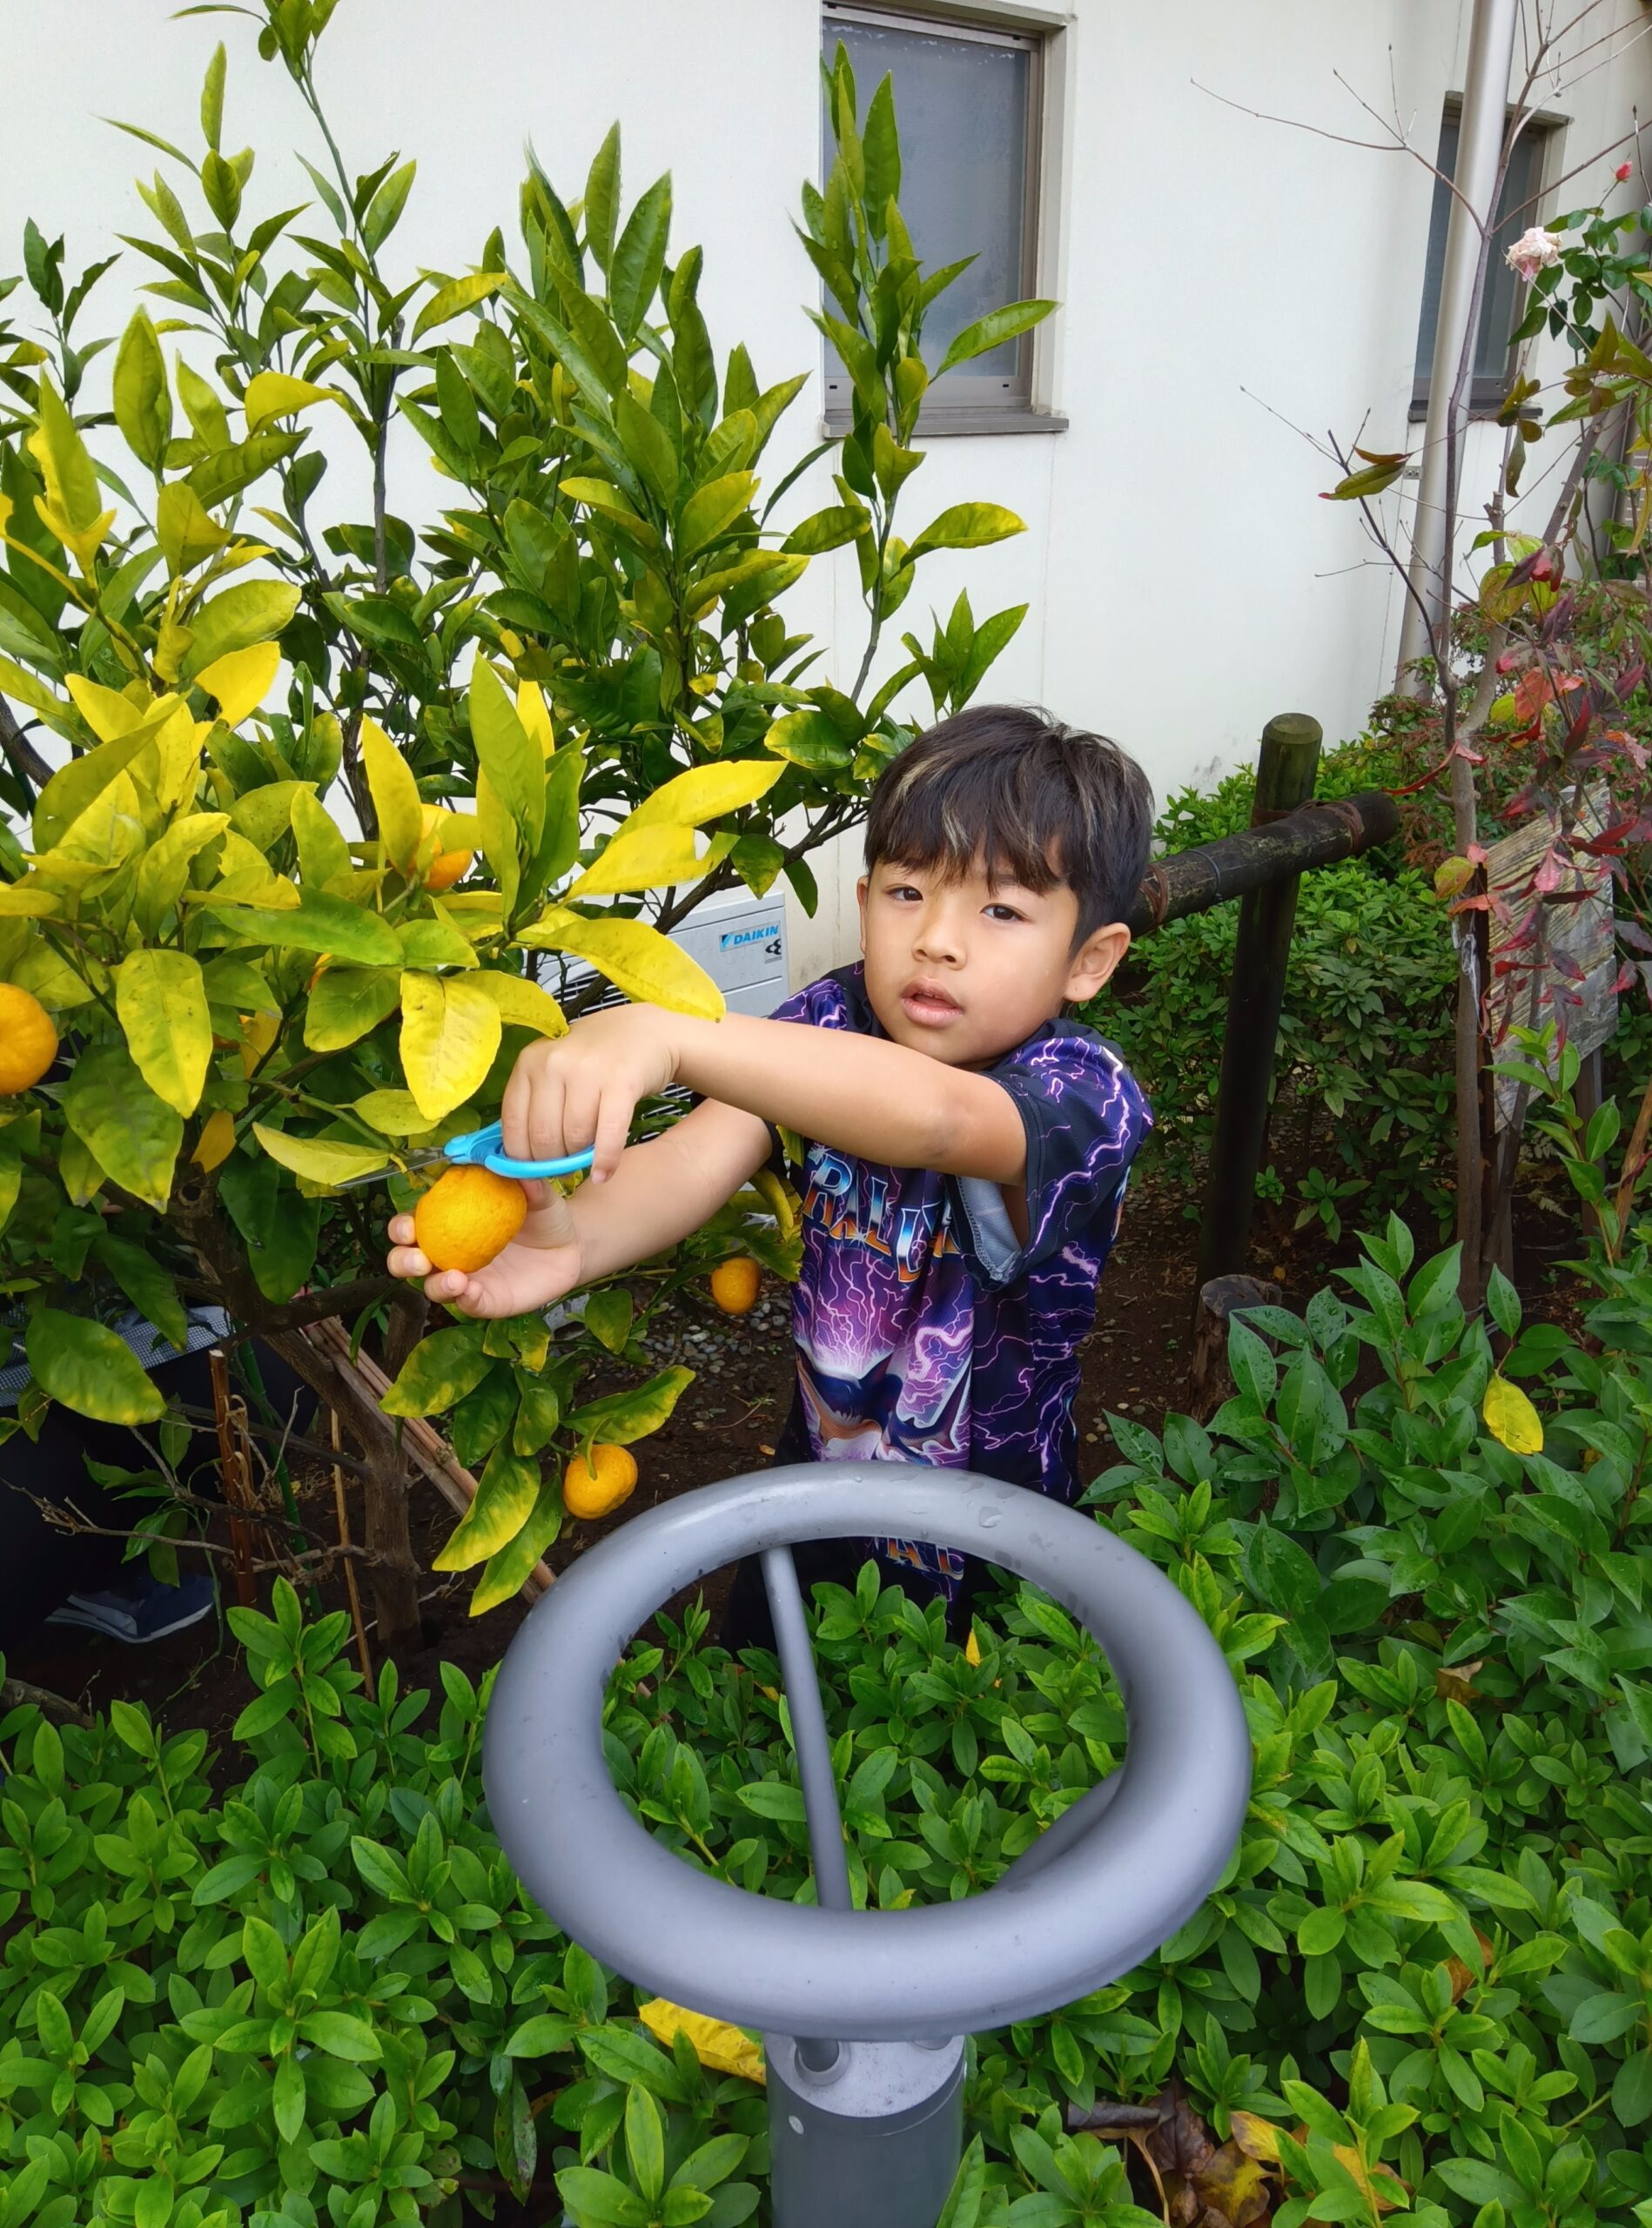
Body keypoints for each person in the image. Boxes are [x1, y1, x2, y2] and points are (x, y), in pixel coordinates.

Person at [387, 705, 1153, 1643]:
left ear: (1088, 960)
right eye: (907, 891)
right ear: (864, 902)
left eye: (1000, 910)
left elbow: (940, 1119)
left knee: (961, 1721)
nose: (937, 939)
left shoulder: (1085, 1095)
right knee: (767, 1689)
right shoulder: (828, 1021)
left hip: (991, 1525)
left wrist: (669, 1034)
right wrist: (574, 1243)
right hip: (821, 1474)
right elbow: (691, 1157)